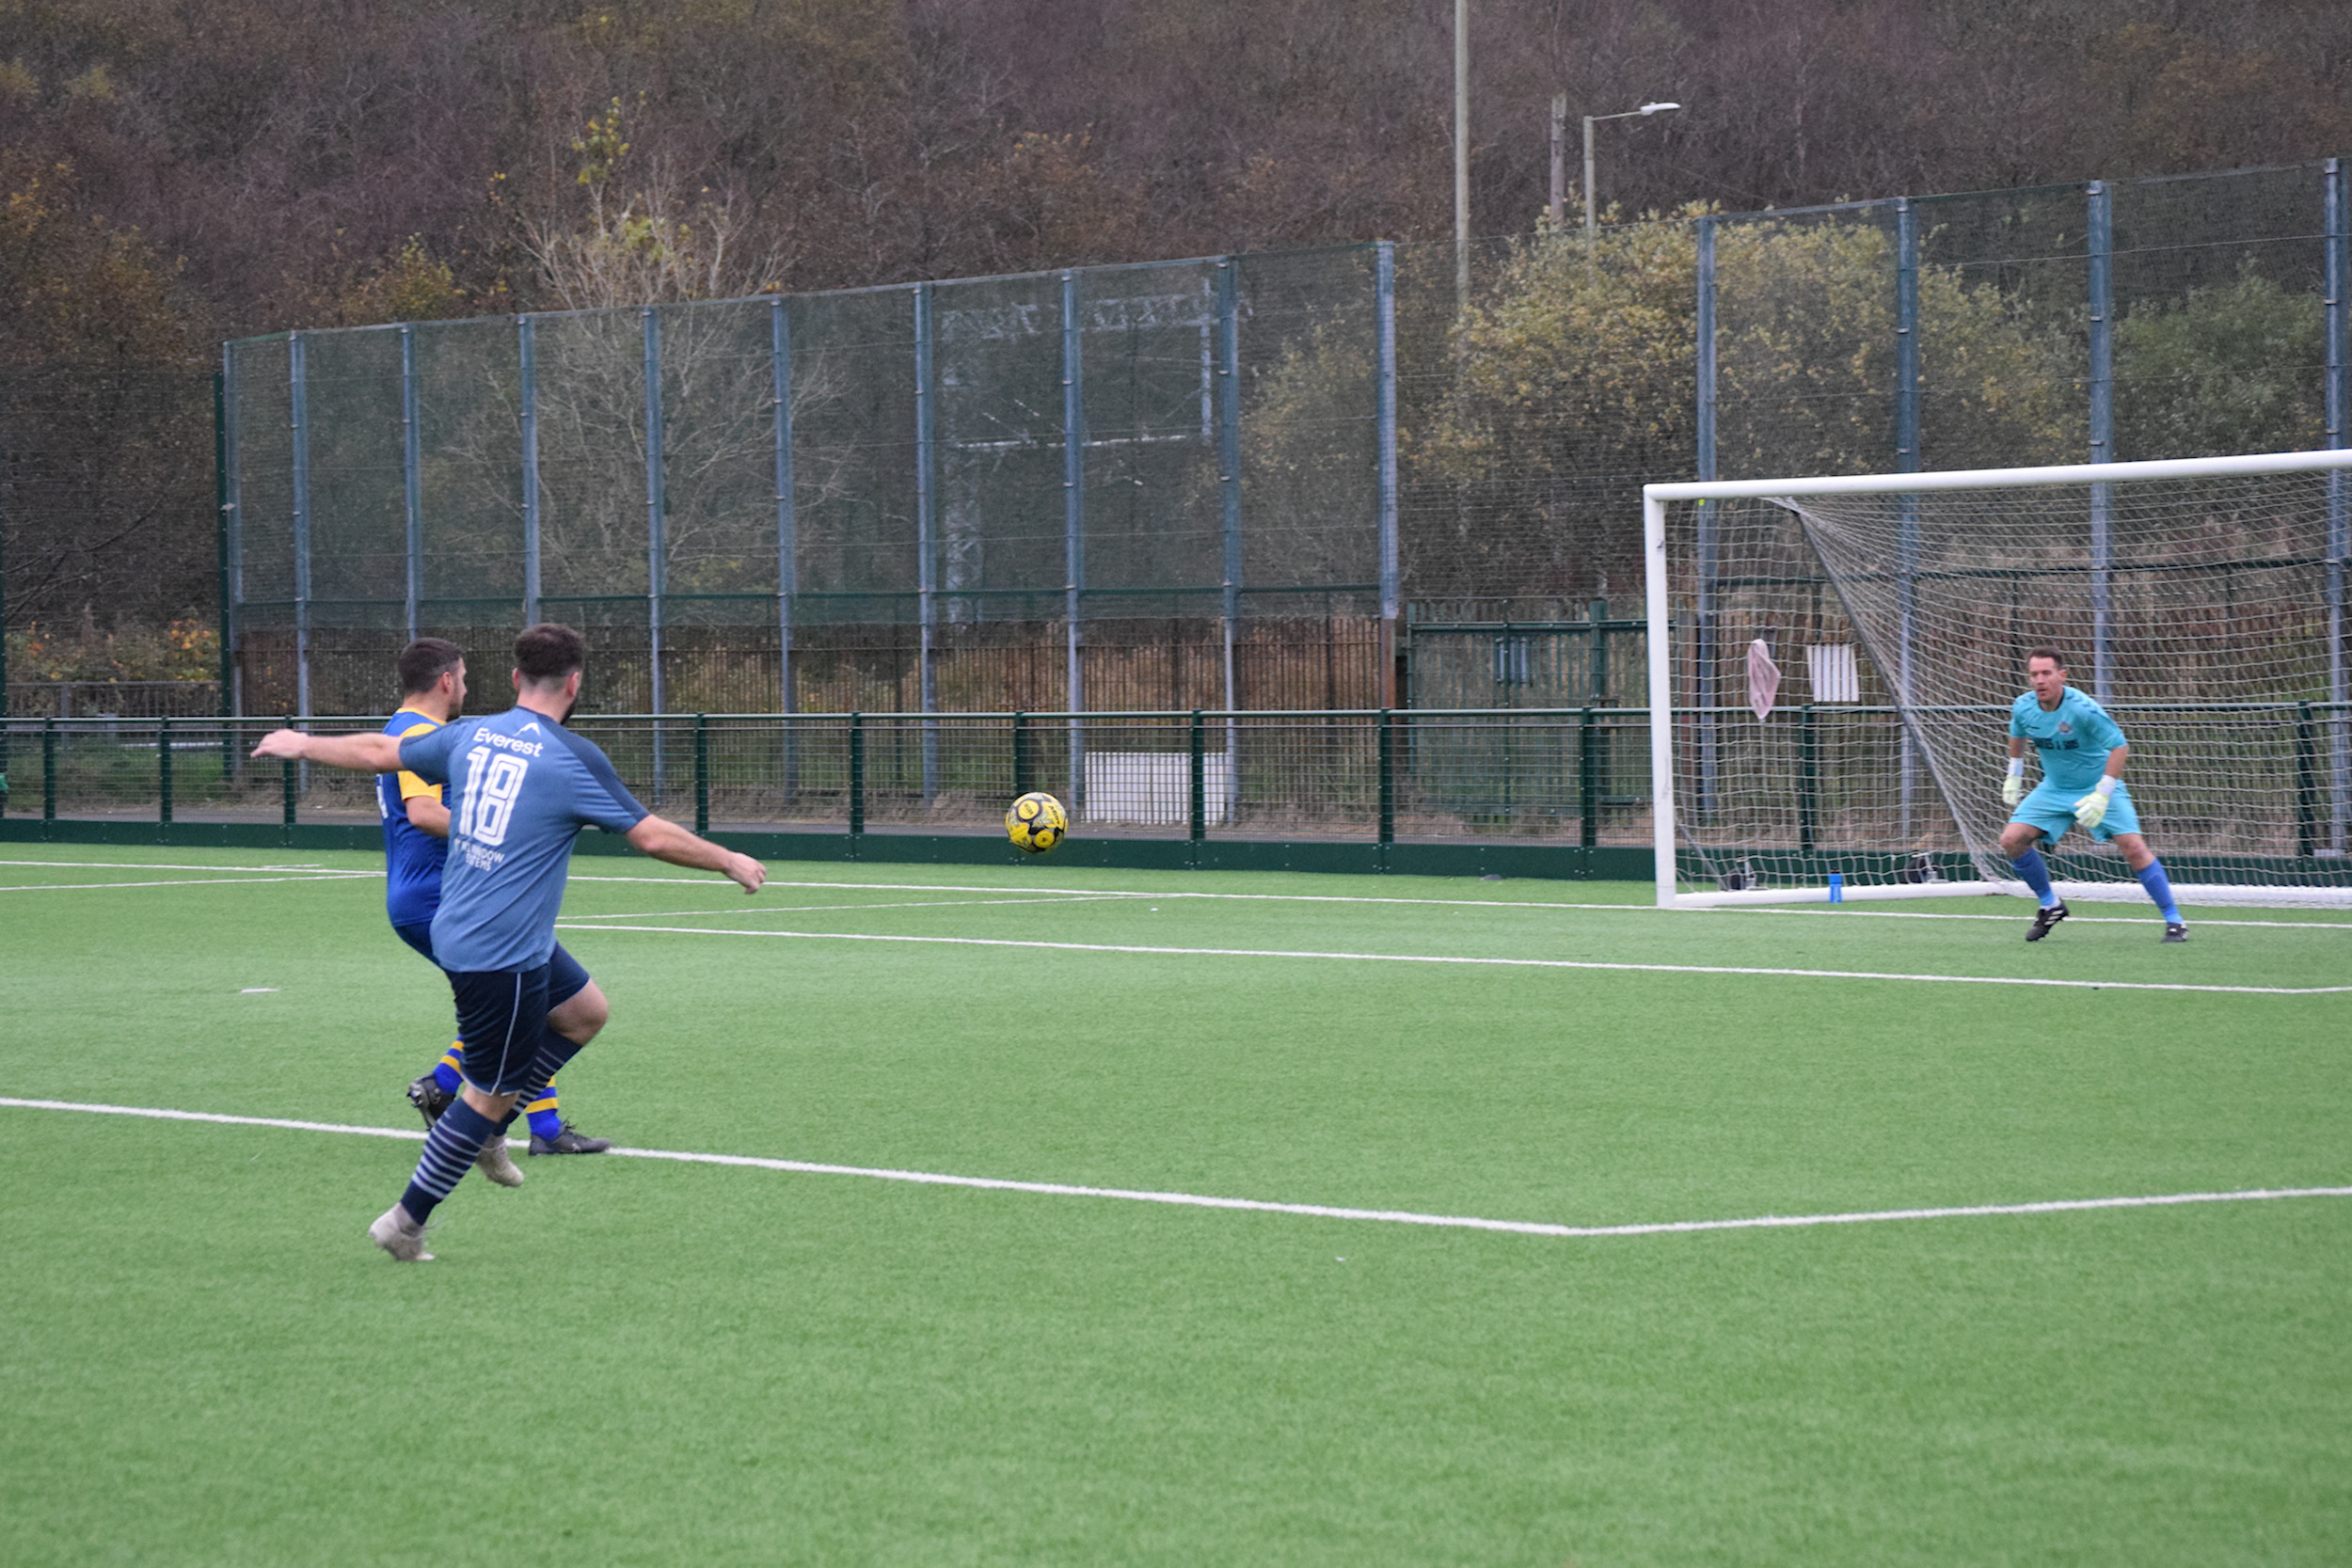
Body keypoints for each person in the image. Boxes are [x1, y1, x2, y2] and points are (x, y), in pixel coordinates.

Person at [253, 623, 766, 1260]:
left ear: (517, 678)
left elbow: (381, 752)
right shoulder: (570, 756)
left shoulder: (471, 734)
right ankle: (405, 1222)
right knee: (484, 1094)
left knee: (584, 1013)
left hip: (478, 932)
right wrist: (729, 859)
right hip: (500, 951)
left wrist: (301, 743)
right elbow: (652, 836)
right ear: (574, 684)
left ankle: (490, 1128)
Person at [379, 638, 607, 1161]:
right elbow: (423, 812)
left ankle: (501, 1108)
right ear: (444, 682)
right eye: (461, 678)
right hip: (445, 900)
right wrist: (503, 833)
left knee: (538, 1002)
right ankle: (482, 1111)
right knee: (547, 1005)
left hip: (440, 897)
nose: (464, 687)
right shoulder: (419, 733)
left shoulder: (406, 731)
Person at [1998, 645, 2185, 943]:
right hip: (2054, 788)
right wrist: (2015, 772)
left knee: (2134, 847)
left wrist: (2102, 793)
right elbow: (2017, 731)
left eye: (2046, 673)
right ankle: (2050, 905)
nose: (2039, 680)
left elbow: (2120, 745)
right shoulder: (2023, 706)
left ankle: (2175, 921)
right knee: (2011, 839)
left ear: (2062, 675)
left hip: (2098, 787)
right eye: (2034, 674)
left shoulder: (2082, 709)